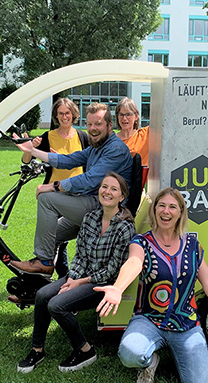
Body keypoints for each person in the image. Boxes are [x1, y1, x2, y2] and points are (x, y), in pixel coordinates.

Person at [94, 188, 208, 383]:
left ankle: (180, 355)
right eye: (161, 205)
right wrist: (118, 288)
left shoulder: (193, 246)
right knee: (130, 354)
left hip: (186, 324)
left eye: (172, 207)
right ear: (154, 210)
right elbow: (133, 263)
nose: (166, 211)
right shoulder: (142, 242)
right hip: (149, 320)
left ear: (180, 213)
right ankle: (149, 361)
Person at [17, 172, 136, 373]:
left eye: (114, 189)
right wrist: (72, 278)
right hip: (82, 276)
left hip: (104, 283)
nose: (107, 192)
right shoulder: (90, 218)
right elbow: (80, 255)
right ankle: (37, 350)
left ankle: (85, 350)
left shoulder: (125, 227)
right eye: (104, 187)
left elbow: (113, 269)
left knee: (57, 305)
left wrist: (80, 282)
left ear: (121, 197)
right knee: (42, 295)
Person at [11, 102, 133, 276]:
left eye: (98, 124)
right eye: (89, 124)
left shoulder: (115, 149)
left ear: (109, 125)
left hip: (105, 210)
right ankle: (39, 282)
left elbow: (90, 180)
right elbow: (69, 160)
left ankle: (44, 262)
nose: (92, 129)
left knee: (46, 199)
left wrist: (54, 186)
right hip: (93, 204)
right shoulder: (97, 147)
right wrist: (33, 151)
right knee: (51, 234)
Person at [25, 98, 90, 277]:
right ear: (56, 115)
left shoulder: (82, 136)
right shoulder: (48, 136)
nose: (64, 116)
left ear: (73, 114)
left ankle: (61, 274)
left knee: (62, 237)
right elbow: (27, 159)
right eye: (60, 113)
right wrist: (31, 148)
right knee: (51, 236)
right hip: (53, 191)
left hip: (77, 193)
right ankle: (54, 274)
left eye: (67, 113)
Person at [115, 97, 149, 166]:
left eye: (128, 114)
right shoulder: (112, 140)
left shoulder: (146, 134)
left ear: (136, 116)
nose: (124, 118)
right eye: (121, 115)